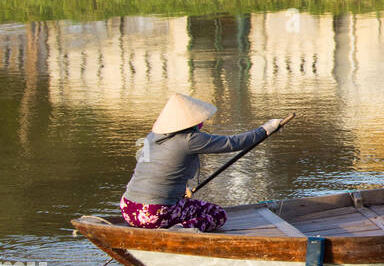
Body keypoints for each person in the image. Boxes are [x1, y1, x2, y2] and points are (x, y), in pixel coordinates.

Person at [120, 93, 284, 233]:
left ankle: (170, 221)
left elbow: (150, 170)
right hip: (155, 213)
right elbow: (233, 143)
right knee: (217, 214)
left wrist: (181, 190)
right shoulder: (190, 140)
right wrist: (265, 130)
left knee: (186, 206)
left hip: (128, 208)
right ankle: (180, 230)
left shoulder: (152, 137)